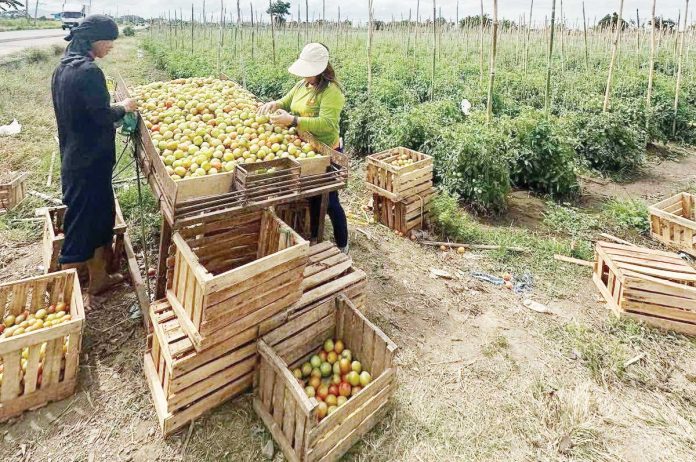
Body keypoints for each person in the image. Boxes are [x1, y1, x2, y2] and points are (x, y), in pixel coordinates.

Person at [51, 14, 137, 294]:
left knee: (101, 218)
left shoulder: (64, 68)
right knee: (80, 226)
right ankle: (67, 295)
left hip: (80, 157)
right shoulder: (89, 72)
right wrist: (123, 107)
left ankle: (99, 280)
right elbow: (101, 116)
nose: (111, 46)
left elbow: (85, 112)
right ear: (96, 40)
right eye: (109, 41)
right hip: (87, 163)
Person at [258, 43, 349, 253]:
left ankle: (343, 245)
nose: (305, 75)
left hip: (327, 153)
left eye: (309, 72)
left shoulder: (331, 92)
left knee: (331, 200)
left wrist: (292, 120)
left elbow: (327, 123)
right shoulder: (302, 86)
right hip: (306, 149)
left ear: (320, 69)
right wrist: (275, 104)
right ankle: (316, 239)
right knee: (314, 196)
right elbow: (286, 101)